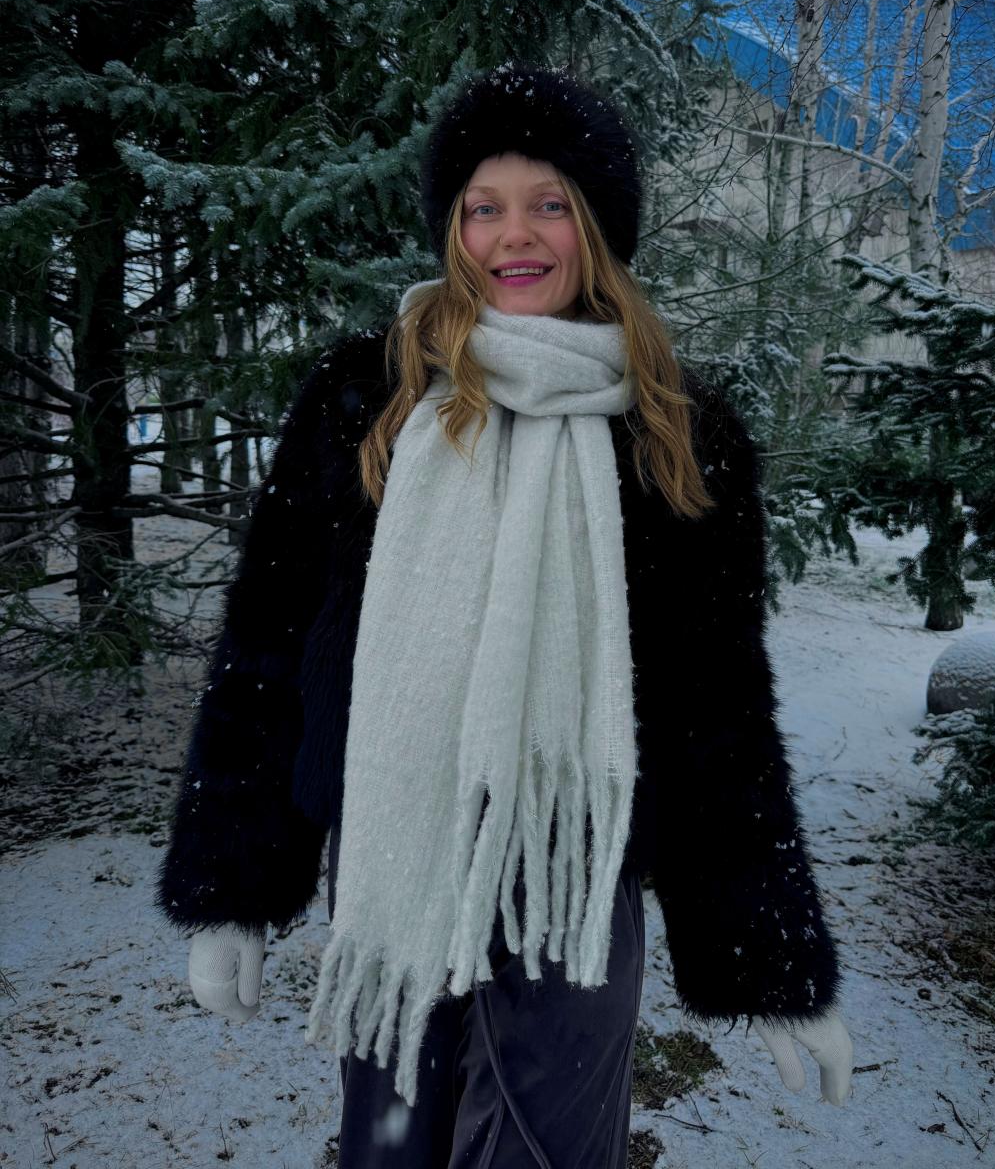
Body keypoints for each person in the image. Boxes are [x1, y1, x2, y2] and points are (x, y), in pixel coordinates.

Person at [156, 61, 854, 1167]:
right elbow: (266, 654)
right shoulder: (365, 399)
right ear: (453, 227)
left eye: (549, 204)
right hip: (397, 846)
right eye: (484, 207)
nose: (513, 235)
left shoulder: (678, 433)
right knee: (392, 1143)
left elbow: (715, 708)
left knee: (546, 1153)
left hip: (573, 873)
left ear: (598, 228)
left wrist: (770, 965)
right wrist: (232, 891)